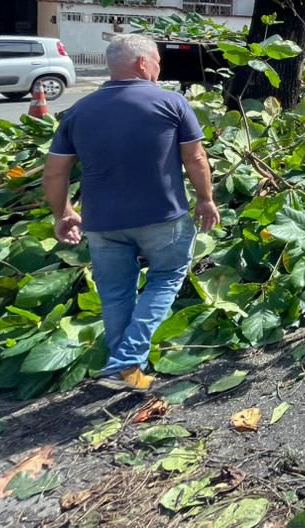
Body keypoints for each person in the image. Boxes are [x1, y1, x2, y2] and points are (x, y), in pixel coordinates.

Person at [44, 34, 217, 392]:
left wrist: (63, 213)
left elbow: (55, 172)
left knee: (115, 293)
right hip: (163, 217)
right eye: (156, 61)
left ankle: (124, 372)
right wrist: (205, 198)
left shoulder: (79, 111)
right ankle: (125, 361)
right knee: (166, 277)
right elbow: (196, 158)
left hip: (102, 223)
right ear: (142, 63)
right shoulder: (171, 102)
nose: (159, 67)